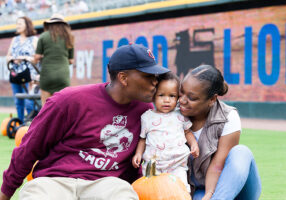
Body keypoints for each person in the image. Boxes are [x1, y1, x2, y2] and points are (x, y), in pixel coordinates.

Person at [0, 44, 170, 200]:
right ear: (124, 78)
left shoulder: (146, 111)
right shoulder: (68, 100)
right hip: (55, 180)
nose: (155, 82)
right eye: (148, 76)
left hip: (107, 183)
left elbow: (142, 159)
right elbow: (29, 147)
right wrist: (6, 192)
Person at [179, 65, 261, 200]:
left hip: (228, 188)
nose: (182, 100)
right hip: (194, 190)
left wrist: (210, 195)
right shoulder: (171, 113)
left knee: (241, 152)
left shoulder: (228, 116)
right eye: (181, 92)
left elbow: (217, 166)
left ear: (212, 99)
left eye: (192, 98)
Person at [132, 72, 199, 192]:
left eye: (172, 96)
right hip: (154, 164)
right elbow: (142, 139)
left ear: (178, 97)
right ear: (153, 96)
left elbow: (187, 132)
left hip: (177, 164)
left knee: (181, 189)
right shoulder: (147, 117)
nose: (167, 100)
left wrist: (194, 144)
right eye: (161, 95)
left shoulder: (180, 115)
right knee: (152, 191)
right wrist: (138, 154)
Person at [34, 13, 74, 106]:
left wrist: (44, 57)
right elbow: (71, 61)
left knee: (45, 107)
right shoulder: (69, 38)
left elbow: (36, 57)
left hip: (47, 75)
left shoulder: (43, 36)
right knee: (62, 105)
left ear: (49, 24)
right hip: (63, 76)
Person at [6, 16, 38, 122]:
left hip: (30, 75)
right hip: (15, 74)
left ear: (27, 25)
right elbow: (8, 56)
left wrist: (24, 58)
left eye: (20, 23)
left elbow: (37, 58)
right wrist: (13, 59)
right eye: (17, 23)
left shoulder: (34, 39)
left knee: (29, 101)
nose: (17, 26)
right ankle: (20, 124)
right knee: (18, 101)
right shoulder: (14, 39)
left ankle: (30, 124)